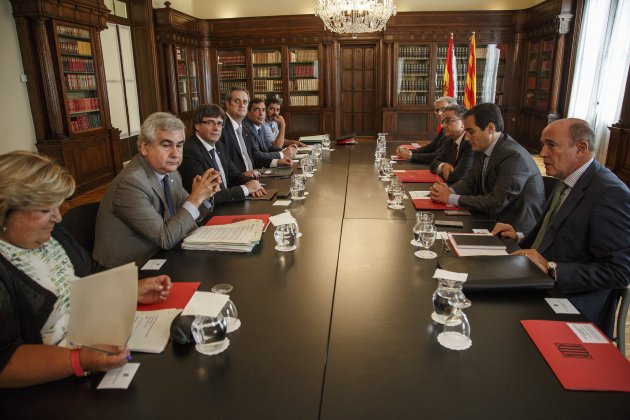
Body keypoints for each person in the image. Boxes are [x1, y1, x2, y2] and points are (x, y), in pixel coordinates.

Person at [0, 151, 172, 388]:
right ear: (4, 211)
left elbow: (90, 272)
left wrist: (128, 290)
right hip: (49, 386)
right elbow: (6, 362)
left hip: (94, 347)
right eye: (45, 210)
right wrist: (79, 360)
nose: (58, 218)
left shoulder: (53, 236)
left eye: (57, 206)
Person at [493, 118, 630, 337]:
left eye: (551, 145)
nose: (542, 153)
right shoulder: (566, 179)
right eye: (543, 145)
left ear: (581, 148)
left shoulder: (610, 193)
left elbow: (619, 272)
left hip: (571, 305)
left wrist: (552, 268)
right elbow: (558, 237)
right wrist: (519, 236)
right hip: (535, 283)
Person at [93, 112, 221, 268]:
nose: (175, 154)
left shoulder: (171, 172)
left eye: (179, 145)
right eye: (166, 145)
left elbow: (186, 216)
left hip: (161, 254)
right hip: (130, 270)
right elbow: (165, 238)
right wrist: (195, 198)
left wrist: (205, 194)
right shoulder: (130, 183)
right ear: (145, 148)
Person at [430, 103, 544, 234]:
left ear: (490, 128)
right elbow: (470, 180)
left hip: (513, 230)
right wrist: (449, 190)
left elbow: (496, 202)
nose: (466, 137)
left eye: (471, 131)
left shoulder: (513, 155)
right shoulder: (483, 147)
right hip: (489, 218)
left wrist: (450, 197)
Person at [179, 104, 266, 204]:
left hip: (227, 203)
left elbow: (234, 175)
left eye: (219, 123)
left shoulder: (219, 145)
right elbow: (206, 195)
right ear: (197, 125)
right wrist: (245, 189)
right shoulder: (190, 151)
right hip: (210, 210)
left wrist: (252, 183)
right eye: (210, 122)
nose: (216, 128)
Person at [219, 87, 290, 174]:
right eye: (237, 101)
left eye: (245, 102)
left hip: (254, 175)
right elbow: (222, 165)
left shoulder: (243, 128)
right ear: (227, 103)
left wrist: (277, 162)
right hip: (240, 179)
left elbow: (254, 156)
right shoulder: (220, 127)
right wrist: (241, 177)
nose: (242, 105)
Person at [396, 96, 457, 162]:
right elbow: (431, 147)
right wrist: (409, 151)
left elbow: (439, 156)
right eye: (437, 110)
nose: (439, 113)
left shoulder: (454, 131)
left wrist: (410, 156)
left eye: (443, 109)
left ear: (454, 109)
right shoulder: (444, 128)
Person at [429, 104, 473, 185]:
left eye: (448, 121)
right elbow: (433, 164)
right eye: (442, 122)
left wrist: (444, 171)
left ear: (463, 123)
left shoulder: (470, 143)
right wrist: (443, 165)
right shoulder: (449, 141)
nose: (443, 126)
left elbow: (458, 176)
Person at [242, 98, 296, 162]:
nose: (261, 114)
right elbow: (256, 156)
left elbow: (268, 147)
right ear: (248, 113)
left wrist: (285, 150)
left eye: (263, 110)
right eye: (257, 110)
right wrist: (282, 154)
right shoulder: (246, 129)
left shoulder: (260, 126)